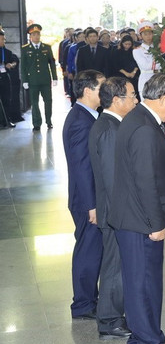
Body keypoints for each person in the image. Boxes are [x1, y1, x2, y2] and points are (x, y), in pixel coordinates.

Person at [110, 73, 165, 344]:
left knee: (145, 281)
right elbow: (145, 181)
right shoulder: (143, 127)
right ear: (163, 98)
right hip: (140, 221)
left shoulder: (142, 118)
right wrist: (156, 224)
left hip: (135, 218)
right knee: (142, 283)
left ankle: (146, 334)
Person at [88, 76, 138, 339]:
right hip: (115, 212)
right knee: (114, 267)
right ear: (117, 100)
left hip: (116, 210)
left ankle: (115, 315)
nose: (136, 100)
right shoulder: (109, 130)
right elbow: (113, 179)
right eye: (132, 95)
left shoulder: (112, 124)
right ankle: (109, 320)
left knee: (117, 265)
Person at [64, 70, 106, 323]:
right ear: (88, 91)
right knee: (88, 251)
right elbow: (81, 167)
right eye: (102, 87)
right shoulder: (81, 121)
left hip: (88, 197)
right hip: (86, 200)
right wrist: (92, 205)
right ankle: (82, 304)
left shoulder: (86, 115)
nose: (106, 92)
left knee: (91, 249)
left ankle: (89, 298)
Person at [21, 23, 58, 130]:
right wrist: (25, 80)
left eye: (38, 34)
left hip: (45, 79)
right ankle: (36, 123)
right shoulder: (25, 49)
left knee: (48, 101)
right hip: (32, 80)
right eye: (34, 34)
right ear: (30, 36)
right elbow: (23, 66)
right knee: (34, 103)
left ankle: (49, 121)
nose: (36, 36)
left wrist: (55, 77)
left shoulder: (46, 47)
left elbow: (52, 63)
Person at [0, 30, 20, 126]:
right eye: (2, 39)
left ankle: (7, 120)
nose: (4, 41)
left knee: (7, 99)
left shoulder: (7, 52)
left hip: (5, 78)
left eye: (4, 39)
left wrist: (12, 64)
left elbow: (14, 60)